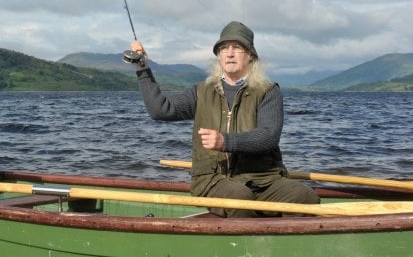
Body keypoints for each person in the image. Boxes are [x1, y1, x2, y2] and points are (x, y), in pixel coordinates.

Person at [128, 21, 320, 218]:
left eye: (237, 47)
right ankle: (248, 246)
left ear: (251, 56)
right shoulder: (201, 92)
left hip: (263, 180)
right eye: (223, 48)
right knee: (240, 197)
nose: (229, 53)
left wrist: (224, 141)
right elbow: (160, 110)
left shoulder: (268, 91)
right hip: (213, 179)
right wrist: (142, 69)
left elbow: (268, 137)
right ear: (218, 56)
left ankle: (285, 243)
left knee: (305, 197)